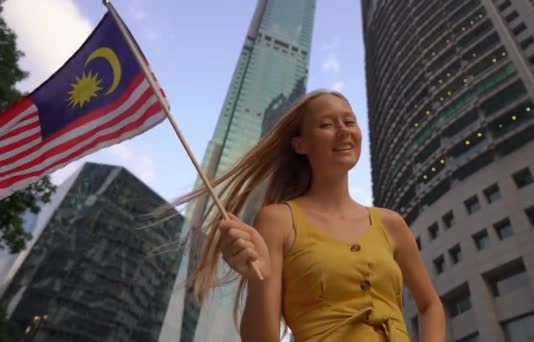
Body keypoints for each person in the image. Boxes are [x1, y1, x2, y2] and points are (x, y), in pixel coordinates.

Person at [182, 90, 446, 342]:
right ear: (300, 144)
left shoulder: (391, 223)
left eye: (349, 121)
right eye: (326, 125)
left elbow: (430, 304)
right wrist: (257, 277)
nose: (344, 131)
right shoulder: (277, 220)